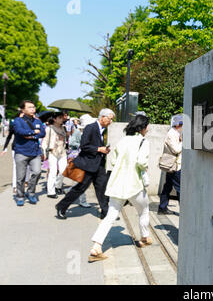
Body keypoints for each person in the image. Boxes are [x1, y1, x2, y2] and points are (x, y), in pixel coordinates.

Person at [88, 114, 152, 262]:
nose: (148, 129)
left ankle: (96, 247)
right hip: (135, 184)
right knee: (143, 210)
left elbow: (115, 161)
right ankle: (144, 237)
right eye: (147, 126)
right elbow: (142, 162)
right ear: (142, 127)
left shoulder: (123, 140)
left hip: (118, 184)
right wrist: (145, 168)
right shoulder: (143, 141)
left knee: (110, 215)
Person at [55, 109, 115, 219]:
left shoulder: (102, 129)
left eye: (111, 119)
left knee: (102, 188)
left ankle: (105, 211)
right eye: (110, 119)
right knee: (80, 188)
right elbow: (84, 146)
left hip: (99, 164)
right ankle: (61, 206)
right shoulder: (90, 127)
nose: (110, 121)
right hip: (88, 164)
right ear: (102, 117)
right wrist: (99, 149)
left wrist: (104, 150)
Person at [12, 100, 46, 206]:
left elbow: (43, 133)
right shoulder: (18, 120)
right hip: (21, 152)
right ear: (23, 109)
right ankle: (20, 196)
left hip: (35, 152)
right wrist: (33, 132)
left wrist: (32, 136)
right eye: (30, 107)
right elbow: (19, 131)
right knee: (20, 177)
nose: (33, 109)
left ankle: (30, 193)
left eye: (34, 107)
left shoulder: (37, 121)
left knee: (37, 172)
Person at [67, 114, 96, 208]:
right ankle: (82, 200)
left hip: (85, 158)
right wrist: (81, 145)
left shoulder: (88, 132)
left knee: (82, 180)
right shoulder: (78, 132)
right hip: (81, 157)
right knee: (82, 180)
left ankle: (71, 191)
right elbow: (71, 142)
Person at [0, 111, 31, 193]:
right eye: (22, 115)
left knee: (27, 166)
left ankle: (26, 180)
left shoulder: (29, 124)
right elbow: (9, 137)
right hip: (16, 148)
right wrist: (5, 149)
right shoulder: (14, 125)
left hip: (27, 148)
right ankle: (15, 186)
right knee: (16, 167)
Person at [158, 115, 183, 215]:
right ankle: (184, 211)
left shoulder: (176, 133)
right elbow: (176, 149)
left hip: (173, 165)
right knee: (180, 187)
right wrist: (183, 142)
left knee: (168, 186)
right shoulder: (171, 134)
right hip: (174, 165)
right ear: (178, 125)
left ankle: (162, 207)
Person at [41, 112, 68, 199]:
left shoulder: (63, 128)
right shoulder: (49, 128)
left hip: (62, 152)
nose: (61, 119)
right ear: (54, 119)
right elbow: (45, 141)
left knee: (63, 171)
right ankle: (51, 191)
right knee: (53, 171)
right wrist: (44, 152)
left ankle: (57, 186)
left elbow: (65, 140)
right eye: (59, 118)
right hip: (52, 151)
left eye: (62, 118)